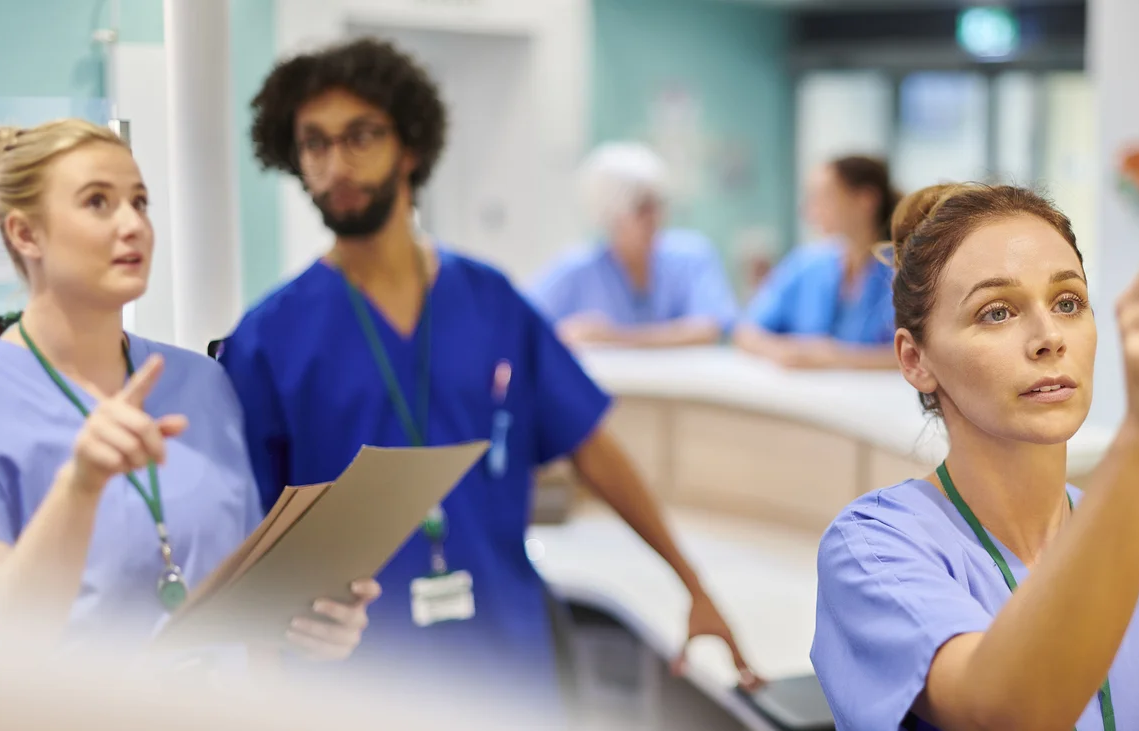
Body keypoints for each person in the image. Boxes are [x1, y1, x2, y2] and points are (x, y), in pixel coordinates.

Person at [218, 37, 758, 713]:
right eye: (314, 143)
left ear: (410, 146)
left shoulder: (490, 301)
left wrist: (692, 583)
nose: (336, 164)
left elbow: (591, 447)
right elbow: (251, 541)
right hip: (356, 683)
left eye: (360, 136)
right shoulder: (268, 338)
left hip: (506, 660)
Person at [0, 119, 378, 658]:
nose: (133, 225)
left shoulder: (205, 383)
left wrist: (311, 628)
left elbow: (248, 595)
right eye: (98, 202)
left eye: (140, 202)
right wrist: (79, 487)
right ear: (25, 234)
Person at [809, 182, 1139, 730]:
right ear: (915, 359)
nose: (1049, 337)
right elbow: (1008, 713)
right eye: (996, 312)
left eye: (1068, 303)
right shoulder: (871, 550)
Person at [528, 141, 738, 348]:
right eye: (641, 209)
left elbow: (709, 330)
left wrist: (612, 338)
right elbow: (525, 321)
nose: (654, 218)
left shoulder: (692, 257)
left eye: (658, 205)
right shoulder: (577, 269)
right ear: (610, 216)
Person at [735, 155, 901, 369]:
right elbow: (746, 332)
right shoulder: (808, 264)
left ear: (866, 200)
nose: (809, 209)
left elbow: (921, 357)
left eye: (824, 197)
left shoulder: (903, 271)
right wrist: (785, 352)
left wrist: (835, 357)